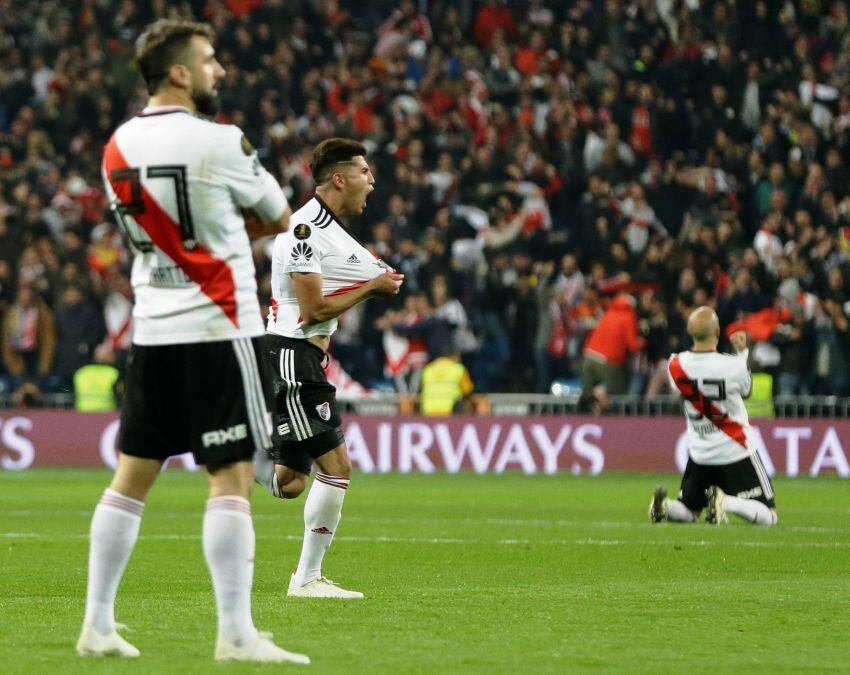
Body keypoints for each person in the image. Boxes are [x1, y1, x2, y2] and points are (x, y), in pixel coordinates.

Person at [77, 19, 309, 664]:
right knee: (230, 478)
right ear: (179, 72)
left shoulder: (116, 145)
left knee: (129, 478)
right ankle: (236, 635)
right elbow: (277, 213)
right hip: (217, 325)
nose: (220, 71)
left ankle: (97, 624)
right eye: (209, 61)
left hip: (153, 326)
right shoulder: (220, 140)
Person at [254, 137, 404, 599]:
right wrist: (371, 286)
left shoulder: (332, 231)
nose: (371, 181)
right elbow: (313, 308)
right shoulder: (303, 231)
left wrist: (377, 279)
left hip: (306, 357)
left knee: (291, 481)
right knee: (337, 467)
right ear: (339, 178)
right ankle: (307, 579)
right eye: (364, 172)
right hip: (291, 353)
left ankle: (235, 457)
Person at [649, 306, 777, 526]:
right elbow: (746, 391)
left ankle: (665, 506)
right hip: (735, 448)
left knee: (689, 512)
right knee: (770, 515)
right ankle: (725, 502)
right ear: (717, 331)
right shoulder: (734, 366)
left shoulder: (675, 365)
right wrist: (743, 353)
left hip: (701, 453)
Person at [420, 345, 474, 415]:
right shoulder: (458, 369)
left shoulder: (427, 369)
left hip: (428, 410)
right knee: (465, 403)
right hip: (451, 411)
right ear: (454, 356)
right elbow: (467, 390)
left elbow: (422, 389)